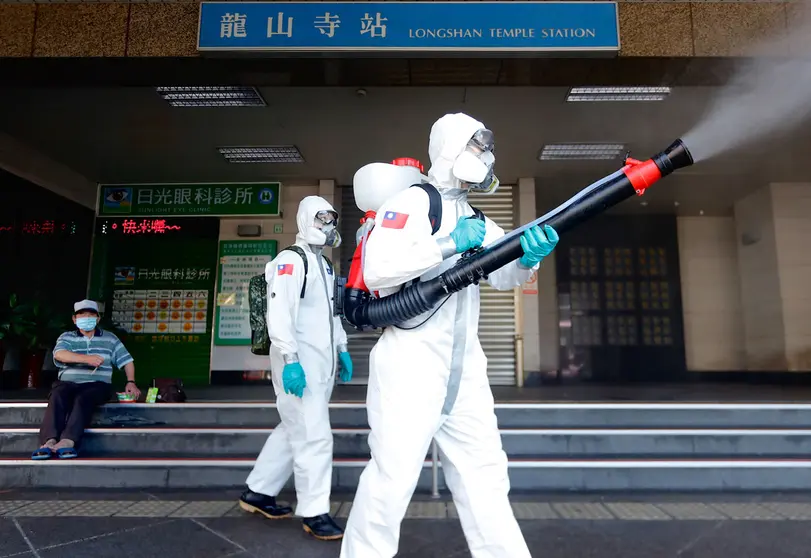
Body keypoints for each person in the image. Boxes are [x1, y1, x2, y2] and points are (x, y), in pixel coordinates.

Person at [340, 113, 559, 558]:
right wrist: (449, 244)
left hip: (465, 371)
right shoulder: (412, 202)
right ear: (450, 150)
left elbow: (502, 274)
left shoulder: (472, 213)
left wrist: (528, 258)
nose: (488, 158)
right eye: (479, 148)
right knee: (392, 479)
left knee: (487, 476)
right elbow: (381, 268)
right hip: (410, 365)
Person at [239, 195, 353, 541]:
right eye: (320, 219)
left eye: (331, 219)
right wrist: (290, 360)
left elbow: (331, 313)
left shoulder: (324, 264)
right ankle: (315, 512)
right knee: (314, 436)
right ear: (304, 219)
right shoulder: (291, 260)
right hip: (299, 365)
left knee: (294, 429)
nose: (327, 226)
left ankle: (258, 491)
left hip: (320, 365)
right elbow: (279, 315)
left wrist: (342, 347)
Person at [32, 299, 139, 460]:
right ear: (74, 319)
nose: (86, 318)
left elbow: (127, 361)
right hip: (67, 383)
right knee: (57, 395)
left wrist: (131, 381)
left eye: (91, 315)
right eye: (82, 315)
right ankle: (49, 441)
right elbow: (59, 354)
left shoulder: (110, 339)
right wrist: (86, 359)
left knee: (83, 398)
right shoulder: (67, 337)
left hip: (97, 385)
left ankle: (68, 441)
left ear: (97, 319)